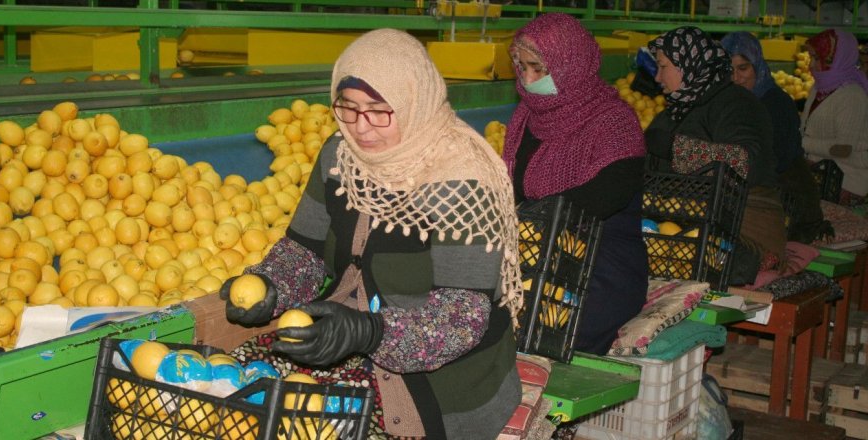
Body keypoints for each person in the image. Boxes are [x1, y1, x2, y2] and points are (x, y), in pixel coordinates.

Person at [220, 29, 523, 439]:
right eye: (348, 108)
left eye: (380, 111)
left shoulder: (460, 180)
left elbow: (462, 318)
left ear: (414, 103)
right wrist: (273, 286)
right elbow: (303, 251)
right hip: (349, 337)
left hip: (442, 376)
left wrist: (369, 331)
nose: (361, 128)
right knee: (236, 387)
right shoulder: (338, 155)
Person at [503, 13, 648, 355]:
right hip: (535, 256)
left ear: (571, 65)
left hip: (600, 265)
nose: (528, 77)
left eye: (538, 67)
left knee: (547, 328)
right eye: (521, 66)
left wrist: (528, 221)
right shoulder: (525, 117)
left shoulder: (614, 124)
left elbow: (597, 201)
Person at [645, 26, 787, 286]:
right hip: (686, 221)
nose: (657, 77)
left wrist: (675, 148)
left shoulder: (737, 104)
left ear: (689, 65)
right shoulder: (676, 110)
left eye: (663, 67)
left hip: (743, 227)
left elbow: (746, 162)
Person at [721, 31, 830, 244]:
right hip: (755, 197)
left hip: (788, 205)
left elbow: (773, 162)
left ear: (757, 66)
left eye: (743, 68)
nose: (735, 77)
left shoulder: (776, 105)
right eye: (728, 70)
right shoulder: (729, 103)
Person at [800, 29, 868, 206]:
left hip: (845, 184)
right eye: (811, 58)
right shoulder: (818, 89)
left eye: (817, 58)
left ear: (836, 59)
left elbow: (844, 149)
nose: (811, 65)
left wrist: (802, 142)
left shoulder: (852, 96)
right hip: (820, 177)